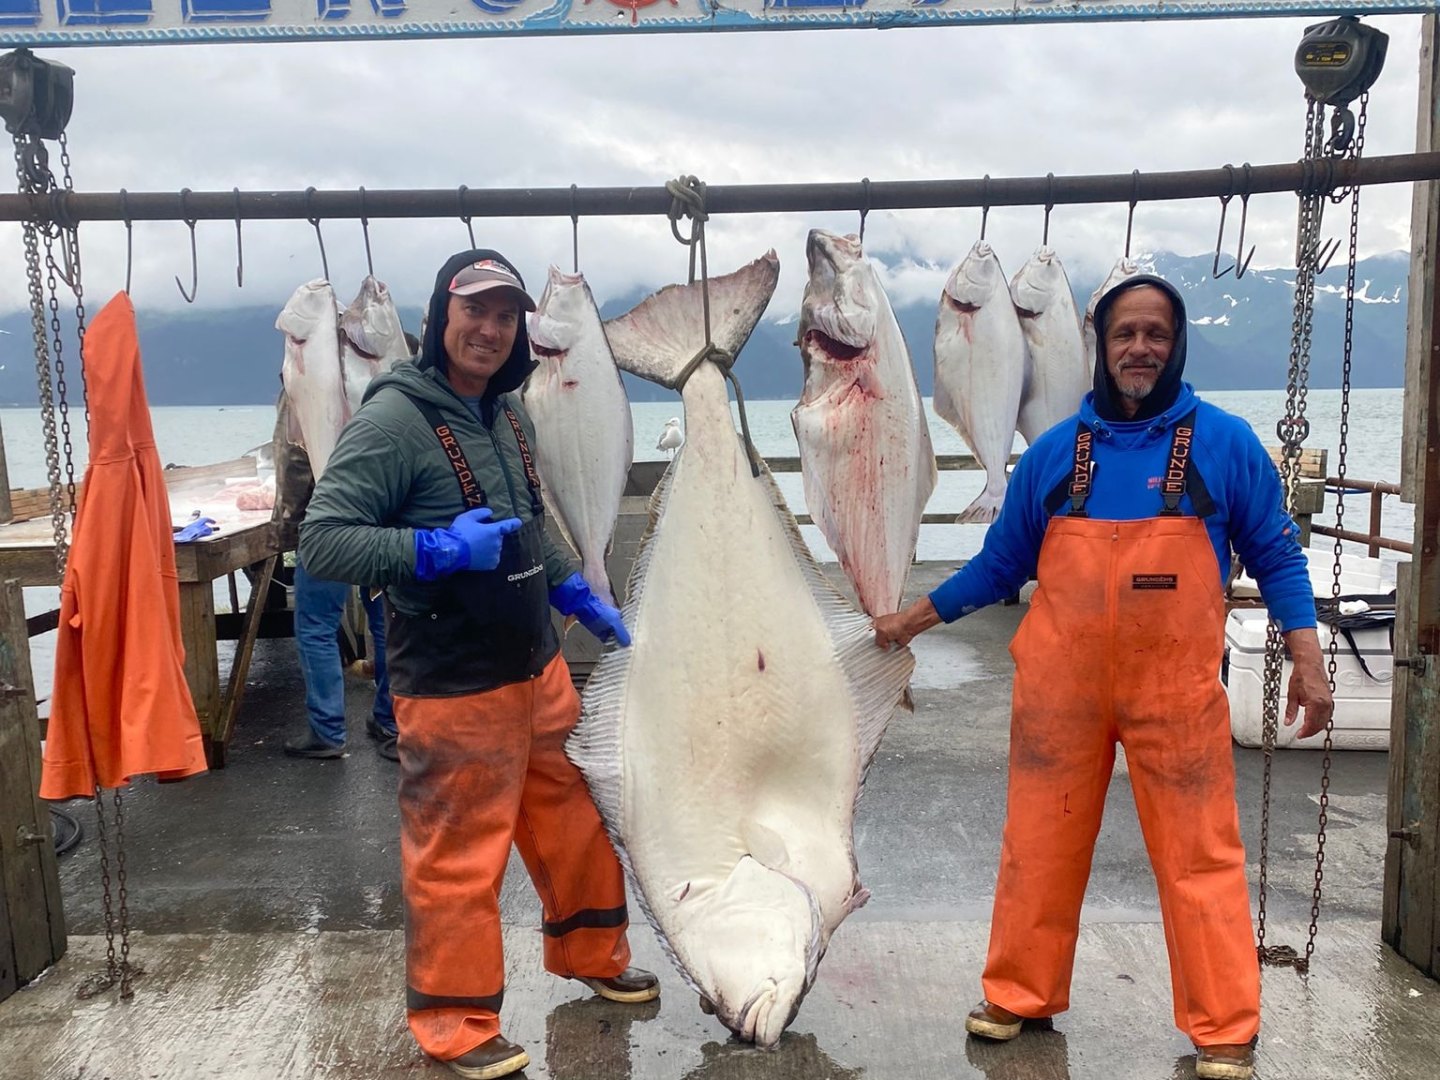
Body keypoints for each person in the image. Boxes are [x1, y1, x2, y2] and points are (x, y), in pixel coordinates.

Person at [874, 276, 1334, 1080]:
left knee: (1201, 856)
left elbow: (1277, 556)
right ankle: (1020, 994)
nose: (1140, 349)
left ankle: (1224, 1025)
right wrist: (913, 619)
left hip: (1177, 696)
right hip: (1061, 696)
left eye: (1156, 333)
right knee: (1038, 847)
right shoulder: (1055, 454)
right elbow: (1002, 566)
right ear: (1101, 346)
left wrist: (1307, 654)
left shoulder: (1225, 444)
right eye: (1125, 334)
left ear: (1176, 343)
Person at [299, 249, 656, 1080]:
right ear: (438, 319)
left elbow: (529, 523)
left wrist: (574, 592)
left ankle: (592, 955)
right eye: (474, 312)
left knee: (576, 820)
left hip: (537, 669)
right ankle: (453, 1022)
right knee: (459, 857)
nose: (490, 330)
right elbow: (323, 538)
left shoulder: (508, 415)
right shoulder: (392, 421)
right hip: (454, 685)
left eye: (504, 316)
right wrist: (430, 549)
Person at [272, 389, 398, 761]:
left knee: (316, 625)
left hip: (326, 522)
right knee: (385, 620)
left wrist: (288, 527)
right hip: (381, 519)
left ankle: (327, 731)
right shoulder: (387, 378)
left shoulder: (306, 381)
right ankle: (391, 719)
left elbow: (296, 461)